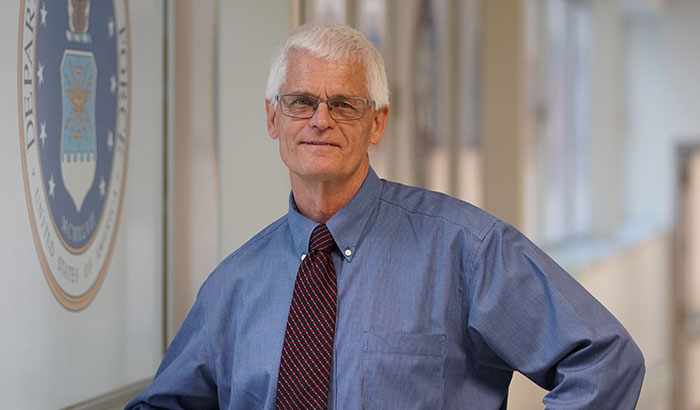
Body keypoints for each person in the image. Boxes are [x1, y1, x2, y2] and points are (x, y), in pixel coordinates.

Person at [126, 22, 644, 410]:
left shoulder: (466, 250)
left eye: (345, 105)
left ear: (378, 122)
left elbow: (604, 360)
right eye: (301, 101)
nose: (320, 121)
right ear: (272, 118)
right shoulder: (233, 286)